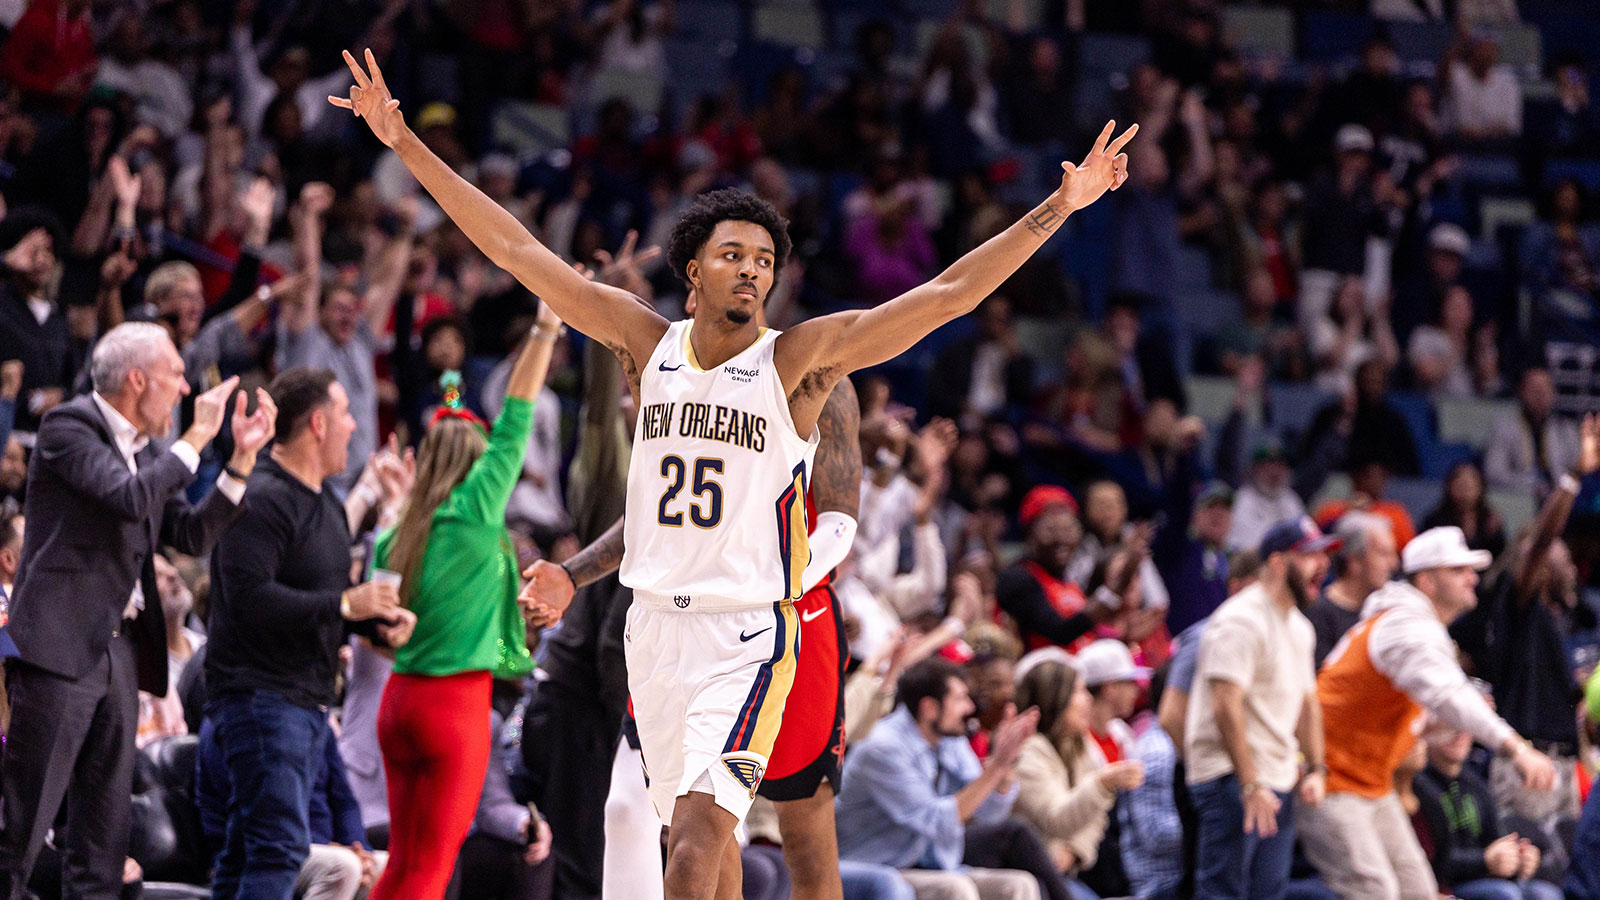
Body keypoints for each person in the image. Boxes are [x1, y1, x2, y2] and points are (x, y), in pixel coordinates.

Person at [332, 47, 1136, 900]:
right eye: (733, 254)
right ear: (692, 274)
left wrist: (1060, 204)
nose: (752, 267)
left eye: (764, 258)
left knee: (697, 845)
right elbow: (517, 250)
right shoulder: (647, 344)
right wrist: (404, 141)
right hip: (653, 631)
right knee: (695, 848)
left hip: (748, 635)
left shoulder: (799, 362)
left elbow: (943, 296)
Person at [521, 291, 864, 900]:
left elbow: (838, 521)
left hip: (788, 618)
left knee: (803, 829)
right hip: (681, 621)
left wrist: (773, 580)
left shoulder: (811, 372)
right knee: (676, 823)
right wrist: (573, 574)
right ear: (691, 288)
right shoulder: (671, 375)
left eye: (755, 266)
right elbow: (655, 520)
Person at [0, 321, 274, 899]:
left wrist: (241, 461)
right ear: (136, 379)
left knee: (102, 842)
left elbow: (190, 535)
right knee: (21, 832)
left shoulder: (149, 453)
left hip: (120, 651)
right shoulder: (68, 426)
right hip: (58, 649)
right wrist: (194, 440)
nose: (184, 390)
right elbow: (127, 500)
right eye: (176, 375)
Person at [366, 304, 561, 900]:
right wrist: (546, 330)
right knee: (429, 874)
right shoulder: (475, 512)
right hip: (453, 709)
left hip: (397, 705)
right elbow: (517, 416)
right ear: (477, 468)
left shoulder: (395, 534)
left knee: (401, 867)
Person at [204, 367, 415, 900]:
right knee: (278, 850)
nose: (354, 426)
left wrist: (375, 621)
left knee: (246, 854)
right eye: (345, 414)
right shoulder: (259, 498)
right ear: (318, 423)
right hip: (259, 696)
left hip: (304, 702)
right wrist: (346, 601)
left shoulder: (326, 508)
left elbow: (324, 608)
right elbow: (249, 598)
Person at [1296, 526, 1559, 900]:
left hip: (1370, 784)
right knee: (1375, 890)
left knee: (1419, 891)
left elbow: (1409, 718)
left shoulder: (1419, 629)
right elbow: (1449, 692)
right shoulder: (1405, 626)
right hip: (1329, 780)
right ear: (1427, 580)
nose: (1472, 578)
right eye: (1457, 570)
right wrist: (1516, 747)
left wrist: (1445, 724)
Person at [1185, 517, 1333, 900]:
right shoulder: (1240, 620)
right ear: (1279, 563)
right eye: (1310, 556)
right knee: (1224, 893)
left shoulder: (1300, 626)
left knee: (1269, 893)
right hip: (1232, 778)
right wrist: (1249, 783)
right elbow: (1224, 705)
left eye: (1324, 555)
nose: (1323, 565)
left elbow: (1307, 703)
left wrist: (1317, 767)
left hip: (1279, 775)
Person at [834, 657, 1054, 900]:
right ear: (929, 707)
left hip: (931, 866)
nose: (970, 708)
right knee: (954, 889)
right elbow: (937, 821)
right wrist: (995, 767)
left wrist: (1007, 764)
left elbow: (989, 813)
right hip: (874, 867)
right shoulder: (883, 748)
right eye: (960, 699)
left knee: (1019, 884)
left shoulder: (951, 740)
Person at [1012, 659, 1144, 898]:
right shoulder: (1028, 750)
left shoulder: (1078, 743)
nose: (1088, 700)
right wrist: (1102, 783)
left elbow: (1097, 816)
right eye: (1079, 692)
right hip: (1032, 875)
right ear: (1055, 697)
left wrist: (1074, 850)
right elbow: (1058, 817)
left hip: (1066, 872)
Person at [1413, 724, 1562, 900]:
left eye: (1463, 726)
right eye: (1449, 727)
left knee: (1546, 893)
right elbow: (1434, 862)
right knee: (1504, 894)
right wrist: (1485, 861)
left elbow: (1498, 840)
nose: (1459, 735)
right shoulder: (1419, 786)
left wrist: (1518, 860)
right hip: (1444, 884)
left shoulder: (1476, 784)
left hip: (1483, 876)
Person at [1305, 512, 1397, 667]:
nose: (1394, 564)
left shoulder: (1387, 612)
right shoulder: (1318, 614)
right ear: (1354, 561)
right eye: (1383, 554)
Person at [1483, 368, 1579, 497]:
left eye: (1545, 389)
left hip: (1560, 498)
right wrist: (1529, 487)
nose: (1540, 394)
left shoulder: (1566, 429)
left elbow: (1579, 470)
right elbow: (1494, 472)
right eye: (1534, 389)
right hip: (1520, 499)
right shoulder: (1504, 428)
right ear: (1521, 393)